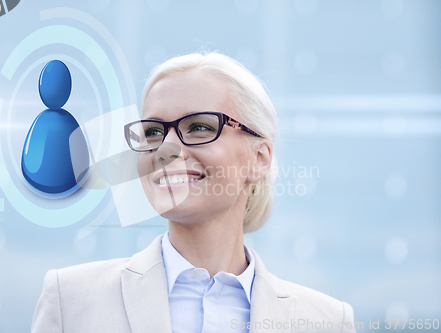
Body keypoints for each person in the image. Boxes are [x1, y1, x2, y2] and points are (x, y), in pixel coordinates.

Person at [30, 52, 356, 333]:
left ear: (259, 158)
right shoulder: (71, 300)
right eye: (154, 132)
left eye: (199, 127)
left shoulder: (326, 321)